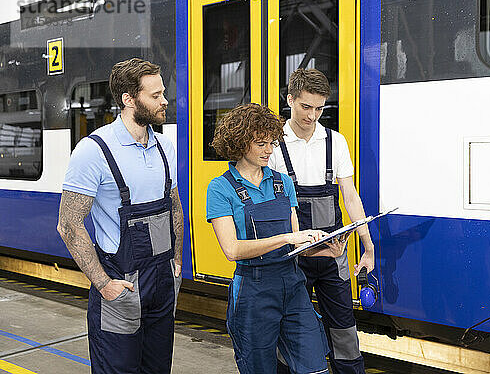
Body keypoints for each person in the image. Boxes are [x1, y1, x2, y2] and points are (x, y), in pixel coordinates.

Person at [56, 58, 183, 373]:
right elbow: (69, 225)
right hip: (120, 285)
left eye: (162, 93)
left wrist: (177, 263)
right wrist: (103, 284)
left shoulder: (165, 147)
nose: (164, 100)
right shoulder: (93, 151)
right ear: (129, 99)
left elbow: (174, 207)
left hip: (164, 282)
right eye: (155, 96)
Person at [206, 103, 330, 374]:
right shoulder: (220, 188)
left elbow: (296, 244)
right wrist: (286, 237)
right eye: (261, 144)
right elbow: (233, 250)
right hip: (253, 291)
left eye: (272, 142)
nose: (270, 150)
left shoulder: (282, 183)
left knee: (316, 367)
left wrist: (322, 248)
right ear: (239, 144)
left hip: (293, 285)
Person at [269, 68, 375, 374]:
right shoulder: (274, 146)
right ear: (289, 99)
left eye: (319, 108)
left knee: (344, 332)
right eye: (305, 107)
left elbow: (351, 198)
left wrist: (367, 247)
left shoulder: (335, 142)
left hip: (334, 258)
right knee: (292, 333)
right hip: (292, 260)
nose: (312, 116)